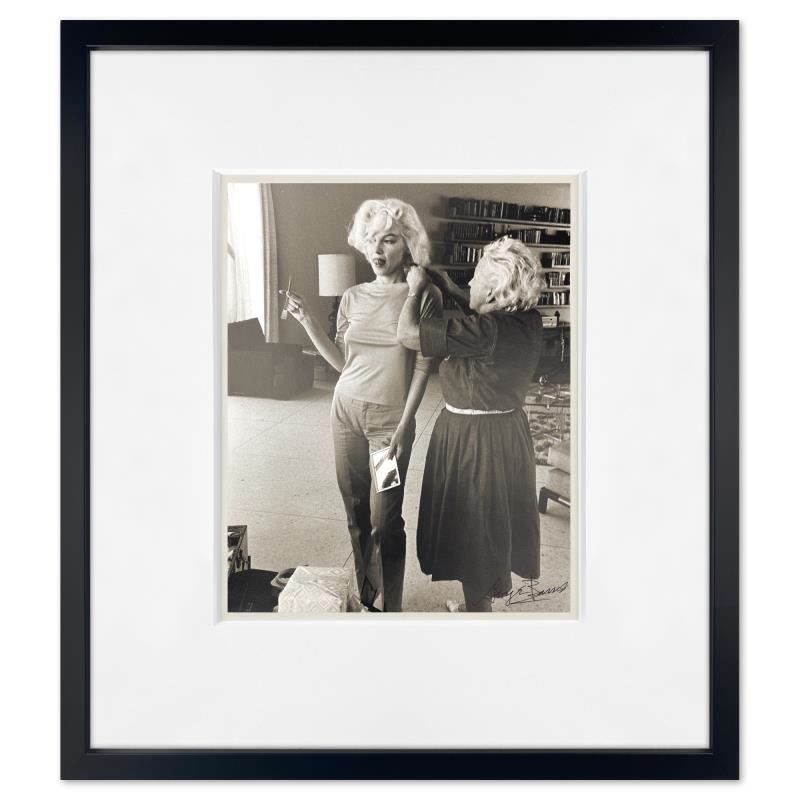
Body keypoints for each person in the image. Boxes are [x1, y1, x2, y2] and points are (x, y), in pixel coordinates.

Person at [283, 198, 442, 611]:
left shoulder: (422, 295)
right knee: (355, 515)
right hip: (345, 417)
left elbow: (423, 365)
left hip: (389, 426)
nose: (378, 249)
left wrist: (405, 425)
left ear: (407, 244)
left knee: (384, 520)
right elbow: (342, 362)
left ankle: (392, 609)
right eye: (371, 240)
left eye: (389, 240)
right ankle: (369, 597)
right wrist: (306, 319)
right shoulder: (352, 297)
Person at [397, 236, 546, 611]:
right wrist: (451, 288)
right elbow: (485, 311)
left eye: (476, 277)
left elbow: (408, 334)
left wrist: (414, 291)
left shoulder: (484, 332)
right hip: (506, 436)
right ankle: (479, 607)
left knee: (474, 537)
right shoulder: (526, 320)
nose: (470, 283)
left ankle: (478, 617)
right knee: (490, 532)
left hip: (474, 444)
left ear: (493, 292)